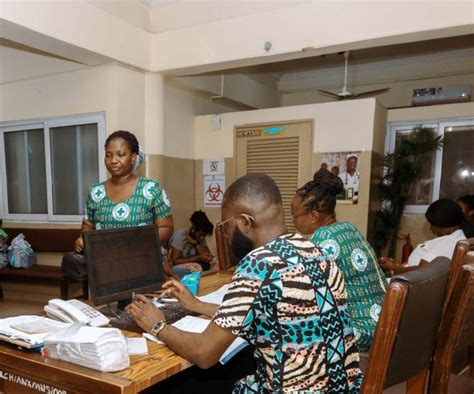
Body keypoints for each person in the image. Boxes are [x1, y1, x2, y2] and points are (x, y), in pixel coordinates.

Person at [127, 173, 362, 393]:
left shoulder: (258, 265)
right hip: (339, 387)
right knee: (237, 363)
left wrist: (158, 325)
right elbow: (273, 314)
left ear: (246, 222)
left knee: (169, 385)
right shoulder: (318, 253)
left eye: (225, 226)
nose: (226, 235)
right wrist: (195, 304)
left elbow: (204, 353)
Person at [292, 169, 387, 352]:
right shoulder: (348, 228)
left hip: (362, 331)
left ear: (313, 216)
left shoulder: (321, 241)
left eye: (295, 215)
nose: (293, 221)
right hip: (384, 320)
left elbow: (303, 291)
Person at [380, 199, 467, 274]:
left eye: (433, 224)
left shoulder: (448, 241)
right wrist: (399, 266)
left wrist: (394, 269)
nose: (431, 229)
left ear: (443, 222)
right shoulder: (455, 238)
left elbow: (423, 271)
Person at [169, 210, 215, 277]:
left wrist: (195, 243)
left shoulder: (200, 238)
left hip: (193, 264)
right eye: (200, 234)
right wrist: (198, 258)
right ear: (193, 228)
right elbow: (175, 261)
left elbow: (207, 256)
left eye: (204, 236)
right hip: (176, 267)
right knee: (191, 270)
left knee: (214, 262)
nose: (202, 238)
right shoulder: (181, 236)